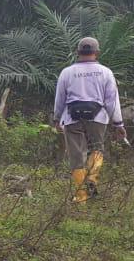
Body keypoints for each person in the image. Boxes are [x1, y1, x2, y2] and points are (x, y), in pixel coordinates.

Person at [53, 37, 126, 203]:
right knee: (96, 148)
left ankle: (81, 197)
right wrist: (118, 123)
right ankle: (92, 179)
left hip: (72, 118)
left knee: (76, 156)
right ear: (97, 53)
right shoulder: (106, 72)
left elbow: (60, 99)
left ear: (78, 52)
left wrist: (57, 118)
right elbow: (112, 101)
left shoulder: (67, 72)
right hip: (98, 117)